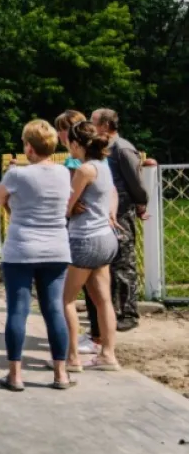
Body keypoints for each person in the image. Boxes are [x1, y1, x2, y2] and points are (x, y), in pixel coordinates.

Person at [0, 119, 74, 391]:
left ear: (29, 146)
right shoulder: (64, 173)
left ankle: (15, 375)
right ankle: (61, 373)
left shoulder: (17, 175)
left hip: (21, 250)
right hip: (56, 249)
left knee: (18, 311)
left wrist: (12, 206)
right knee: (54, 310)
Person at [62, 120, 121, 371]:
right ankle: (108, 355)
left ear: (76, 144)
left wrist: (70, 206)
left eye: (69, 144)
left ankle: (72, 358)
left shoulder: (84, 170)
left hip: (84, 239)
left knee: (65, 301)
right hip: (106, 238)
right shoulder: (104, 166)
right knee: (103, 300)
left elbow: (66, 205)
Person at [92, 108, 148, 332]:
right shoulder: (105, 148)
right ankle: (114, 309)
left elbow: (135, 182)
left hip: (122, 211)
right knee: (112, 262)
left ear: (105, 125)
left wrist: (141, 202)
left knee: (124, 263)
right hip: (108, 212)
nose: (91, 125)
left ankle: (128, 313)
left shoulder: (122, 148)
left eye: (94, 121)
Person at [54, 110, 101, 355]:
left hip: (84, 231)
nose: (59, 134)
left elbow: (73, 192)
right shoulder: (87, 161)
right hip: (92, 230)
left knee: (77, 293)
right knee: (95, 291)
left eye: (62, 129)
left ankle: (89, 341)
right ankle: (97, 336)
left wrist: (71, 205)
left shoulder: (78, 163)